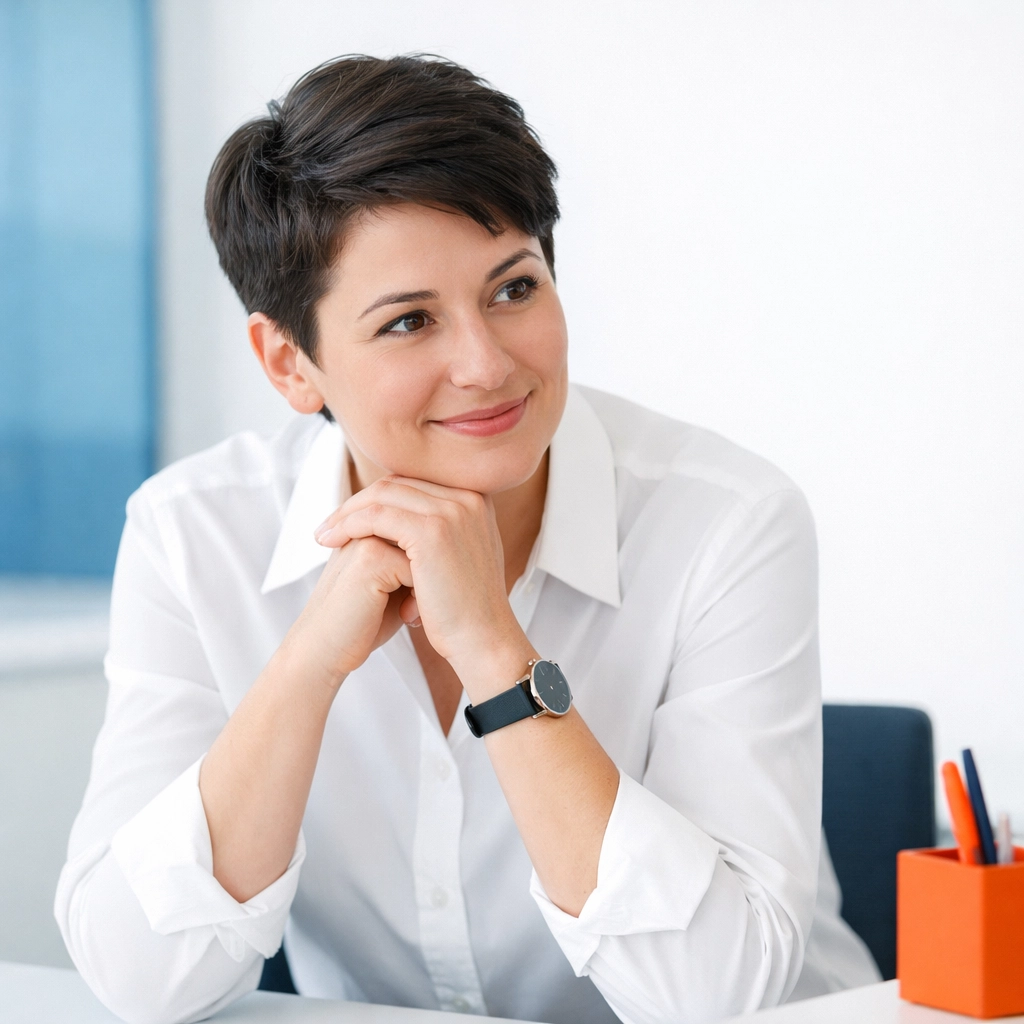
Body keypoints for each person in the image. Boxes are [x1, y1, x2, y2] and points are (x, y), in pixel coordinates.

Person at [56, 54, 879, 1024]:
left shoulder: (723, 520)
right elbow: (136, 980)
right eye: (409, 321)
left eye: (513, 288)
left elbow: (714, 995)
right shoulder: (192, 535)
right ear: (290, 362)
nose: (486, 364)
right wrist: (311, 659)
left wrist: (495, 651)